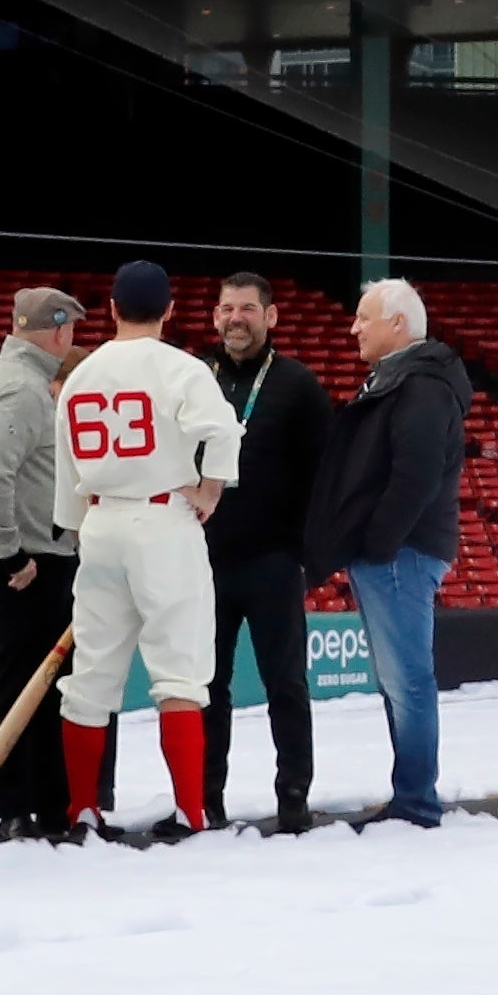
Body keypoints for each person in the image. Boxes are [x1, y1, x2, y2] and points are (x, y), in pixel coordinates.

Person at [51, 262, 239, 839]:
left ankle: (83, 808)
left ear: (110, 309)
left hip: (100, 521)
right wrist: (211, 488)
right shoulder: (182, 367)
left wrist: (83, 528)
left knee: (90, 678)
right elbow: (225, 430)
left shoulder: (80, 375)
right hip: (162, 520)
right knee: (178, 674)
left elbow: (66, 474)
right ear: (170, 310)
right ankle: (189, 810)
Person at [309, 278, 469, 827]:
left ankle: (417, 802)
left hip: (400, 552)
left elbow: (416, 474)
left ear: (397, 324)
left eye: (363, 317)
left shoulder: (420, 386)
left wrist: (376, 542)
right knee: (399, 682)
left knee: (408, 681)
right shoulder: (404, 379)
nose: (354, 327)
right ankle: (411, 796)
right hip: (394, 551)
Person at [197, 271, 333, 830]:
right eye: (227, 308)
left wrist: (306, 555)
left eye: (248, 309)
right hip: (202, 561)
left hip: (274, 561)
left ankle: (294, 795)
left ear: (270, 317)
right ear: (214, 316)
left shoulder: (299, 385)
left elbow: (324, 477)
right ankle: (206, 798)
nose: (236, 318)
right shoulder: (194, 379)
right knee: (207, 687)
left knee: (286, 683)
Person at [0, 285, 84, 840]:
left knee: (38, 684)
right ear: (58, 330)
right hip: (32, 560)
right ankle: (15, 804)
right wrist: (9, 549)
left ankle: (38, 799)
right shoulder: (21, 388)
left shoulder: (15, 377)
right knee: (26, 681)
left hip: (39, 552)